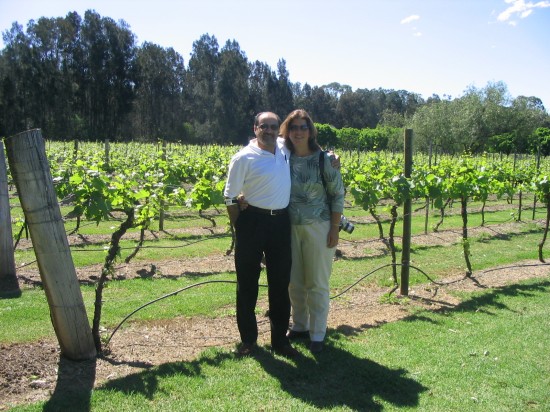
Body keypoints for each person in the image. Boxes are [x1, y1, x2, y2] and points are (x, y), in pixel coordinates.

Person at [224, 111, 299, 358]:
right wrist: (240, 227)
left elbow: (310, 146)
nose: (269, 130)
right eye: (263, 126)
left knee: (280, 283)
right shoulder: (243, 157)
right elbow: (230, 197)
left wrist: (330, 156)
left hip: (281, 223)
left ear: (279, 129)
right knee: (247, 284)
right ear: (255, 128)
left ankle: (280, 341)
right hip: (252, 221)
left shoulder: (284, 147)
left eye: (273, 126)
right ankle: (248, 340)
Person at [281, 109, 345, 354]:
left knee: (317, 282)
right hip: (290, 227)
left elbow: (337, 194)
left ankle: (318, 333)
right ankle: (300, 326)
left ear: (310, 131)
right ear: (287, 131)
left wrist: (335, 228)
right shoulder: (283, 157)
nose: (298, 132)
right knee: (294, 282)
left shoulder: (325, 159)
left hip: (319, 226)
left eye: (303, 127)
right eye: (294, 127)